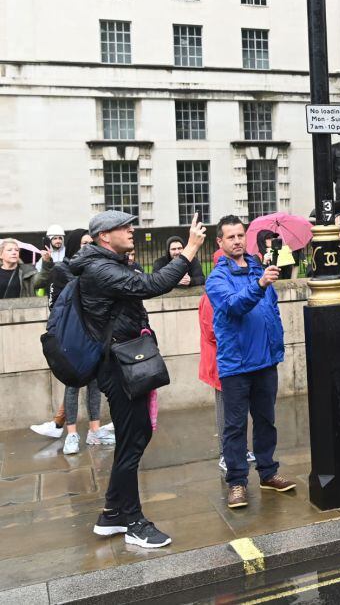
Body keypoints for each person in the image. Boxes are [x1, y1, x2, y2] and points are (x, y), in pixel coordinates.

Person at [76, 210, 205, 549]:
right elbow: (152, 285)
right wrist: (190, 249)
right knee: (133, 440)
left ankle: (112, 512)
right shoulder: (100, 268)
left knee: (138, 434)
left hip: (127, 358)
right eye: (124, 226)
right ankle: (133, 521)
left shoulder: (113, 262)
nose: (131, 230)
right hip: (118, 365)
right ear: (105, 236)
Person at [206, 215, 296, 510]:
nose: (237, 241)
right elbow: (234, 305)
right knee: (234, 427)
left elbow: (270, 309)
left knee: (266, 421)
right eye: (230, 237)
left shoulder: (259, 267)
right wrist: (259, 284)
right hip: (236, 364)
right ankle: (237, 482)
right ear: (220, 242)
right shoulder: (217, 278)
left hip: (265, 361)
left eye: (240, 235)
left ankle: (268, 473)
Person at [30, 230, 100, 440]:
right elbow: (55, 304)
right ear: (75, 246)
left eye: (91, 242)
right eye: (83, 243)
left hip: (94, 334)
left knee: (94, 383)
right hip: (72, 336)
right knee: (73, 383)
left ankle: (91, 429)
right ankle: (68, 431)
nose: (88, 246)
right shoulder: (63, 268)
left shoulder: (96, 268)